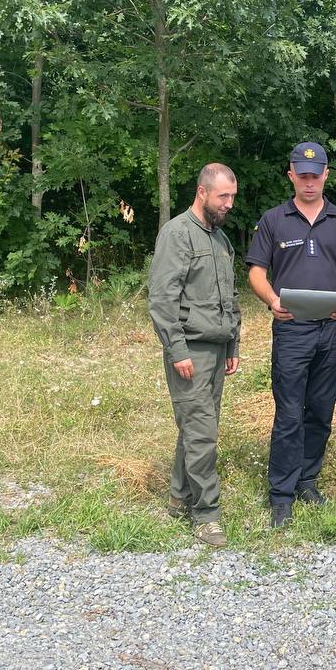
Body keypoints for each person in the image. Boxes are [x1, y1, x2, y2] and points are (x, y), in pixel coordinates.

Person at [246, 142, 336, 528]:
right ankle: (281, 495)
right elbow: (256, 272)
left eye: (315, 175)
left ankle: (307, 480)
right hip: (291, 330)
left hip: (331, 329)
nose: (309, 181)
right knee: (289, 413)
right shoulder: (273, 220)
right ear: (291, 176)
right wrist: (272, 301)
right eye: (302, 175)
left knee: (320, 410)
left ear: (326, 175)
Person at [147, 163, 241, 547]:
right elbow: (162, 298)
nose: (229, 204)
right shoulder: (177, 234)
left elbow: (231, 296)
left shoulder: (221, 240)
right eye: (223, 196)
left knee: (197, 428)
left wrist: (233, 344)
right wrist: (177, 350)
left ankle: (178, 498)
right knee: (202, 434)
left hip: (217, 350)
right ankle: (206, 516)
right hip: (190, 352)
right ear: (202, 192)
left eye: (232, 196)